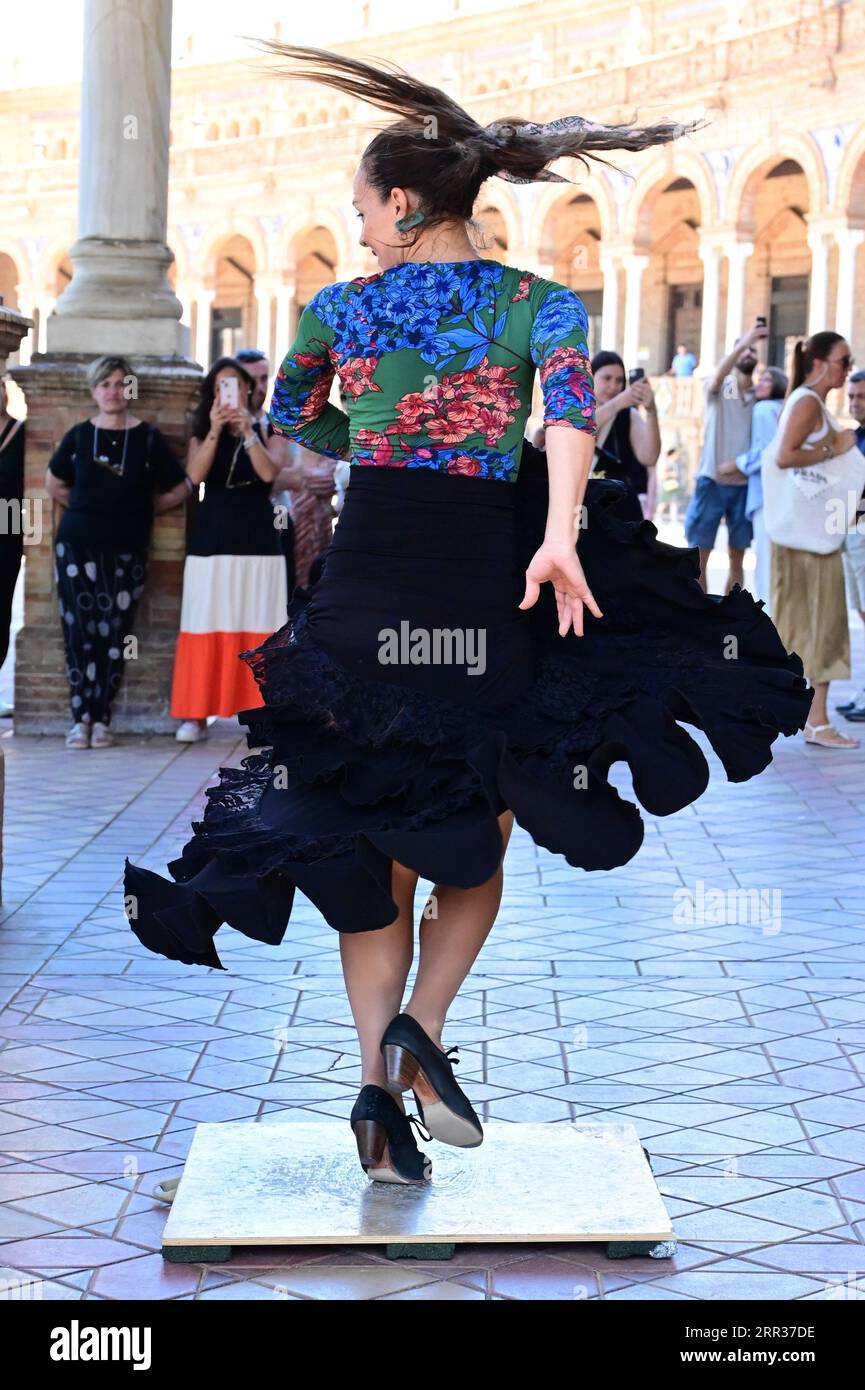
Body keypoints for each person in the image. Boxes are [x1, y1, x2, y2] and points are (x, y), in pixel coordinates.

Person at [125, 45, 810, 1187]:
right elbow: (566, 415)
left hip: (370, 577)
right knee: (477, 810)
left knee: (368, 823)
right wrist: (549, 527)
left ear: (400, 204)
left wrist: (382, 451)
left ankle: (371, 1094)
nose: (356, 230)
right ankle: (420, 1028)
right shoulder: (535, 302)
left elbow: (295, 426)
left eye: (360, 210)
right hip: (484, 573)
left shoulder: (339, 307)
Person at [45, 355, 188, 748]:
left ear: (130, 389)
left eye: (120, 384)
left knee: (115, 632)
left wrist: (144, 509)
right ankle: (80, 720)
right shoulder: (79, 435)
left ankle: (102, 719)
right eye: (105, 384)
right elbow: (53, 483)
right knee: (78, 633)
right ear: (93, 390)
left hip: (126, 550)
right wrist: (84, 507)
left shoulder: (147, 438)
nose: (112, 391)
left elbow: (181, 486)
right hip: (77, 547)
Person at [170, 357, 286, 742]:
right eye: (221, 386)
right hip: (213, 535)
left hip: (257, 533)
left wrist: (249, 431)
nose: (229, 393)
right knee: (205, 619)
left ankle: (263, 711)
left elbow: (270, 474)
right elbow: (195, 476)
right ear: (212, 393)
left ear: (248, 389)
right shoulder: (202, 430)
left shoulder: (270, 426)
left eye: (235, 384)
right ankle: (195, 713)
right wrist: (218, 430)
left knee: (260, 621)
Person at [769, 333, 858, 749]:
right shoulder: (807, 402)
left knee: (805, 623)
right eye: (843, 361)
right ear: (820, 363)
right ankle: (816, 720)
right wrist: (833, 447)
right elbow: (785, 456)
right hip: (808, 538)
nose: (847, 367)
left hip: (808, 534)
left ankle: (805, 715)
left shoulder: (809, 401)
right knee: (821, 623)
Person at [684, 324, 766, 593]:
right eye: (743, 348)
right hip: (712, 481)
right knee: (699, 557)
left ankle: (733, 615)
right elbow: (718, 377)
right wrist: (745, 342)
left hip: (743, 485)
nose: (747, 352)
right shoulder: (722, 386)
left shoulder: (760, 396)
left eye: (753, 349)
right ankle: (704, 616)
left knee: (737, 559)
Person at [235, 346, 301, 596]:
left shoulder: (277, 424)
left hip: (278, 522)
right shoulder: (222, 425)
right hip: (237, 524)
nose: (259, 387)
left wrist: (246, 478)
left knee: (278, 602)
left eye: (264, 378)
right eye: (251, 380)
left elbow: (296, 477)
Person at [728, 365, 788, 612]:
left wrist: (737, 464)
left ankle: (767, 615)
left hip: (765, 493)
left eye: (766, 379)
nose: (759, 382)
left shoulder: (763, 409)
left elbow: (766, 452)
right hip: (782, 494)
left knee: (764, 559)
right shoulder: (781, 410)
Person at [590, 351, 661, 517]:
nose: (613, 386)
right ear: (591, 377)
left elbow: (649, 457)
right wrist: (618, 402)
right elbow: (583, 428)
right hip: (582, 504)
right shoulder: (575, 410)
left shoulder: (628, 415)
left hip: (618, 507)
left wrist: (651, 410)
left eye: (619, 380)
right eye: (607, 378)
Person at [835, 370, 865, 722]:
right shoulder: (853, 437)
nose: (856, 402)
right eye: (852, 396)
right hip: (851, 532)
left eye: (862, 396)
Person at [0, 376, 25, 714]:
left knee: (0, 608)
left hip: (7, 532)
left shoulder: (22, 432)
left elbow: (31, 489)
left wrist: (30, 538)